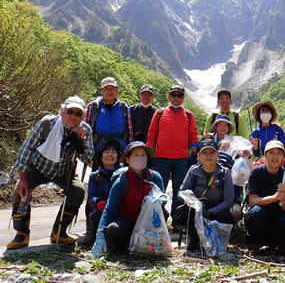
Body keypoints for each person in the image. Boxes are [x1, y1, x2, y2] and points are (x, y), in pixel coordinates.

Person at [7, 96, 94, 249]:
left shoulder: (85, 129)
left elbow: (88, 158)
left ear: (83, 116)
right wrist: (22, 178)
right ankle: (22, 234)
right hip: (37, 167)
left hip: (63, 171)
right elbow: (26, 149)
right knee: (21, 192)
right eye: (70, 111)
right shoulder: (46, 124)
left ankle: (59, 232)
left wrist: (81, 141)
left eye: (77, 114)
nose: (73, 116)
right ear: (62, 111)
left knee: (78, 191)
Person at [91, 141, 164, 257]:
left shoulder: (155, 177)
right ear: (128, 160)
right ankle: (123, 246)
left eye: (143, 155)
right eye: (136, 155)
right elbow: (110, 209)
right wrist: (100, 234)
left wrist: (158, 200)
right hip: (128, 221)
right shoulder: (122, 181)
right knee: (113, 230)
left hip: (149, 223)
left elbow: (163, 199)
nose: (140, 158)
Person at [147, 84, 198, 227]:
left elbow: (193, 134)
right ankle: (159, 219)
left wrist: (193, 149)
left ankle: (177, 221)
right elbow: (152, 134)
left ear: (183, 97)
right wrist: (149, 152)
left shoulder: (189, 115)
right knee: (159, 189)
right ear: (169, 96)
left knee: (179, 190)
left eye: (179, 95)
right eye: (174, 95)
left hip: (181, 159)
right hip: (160, 158)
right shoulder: (159, 113)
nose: (176, 98)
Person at [179, 139, 234, 256]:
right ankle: (194, 246)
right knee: (191, 213)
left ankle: (215, 244)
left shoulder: (225, 173)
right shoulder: (193, 171)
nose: (208, 156)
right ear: (198, 156)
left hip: (218, 209)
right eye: (204, 153)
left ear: (217, 155)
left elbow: (229, 200)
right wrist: (191, 200)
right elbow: (181, 192)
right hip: (198, 208)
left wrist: (210, 212)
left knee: (226, 216)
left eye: (212, 153)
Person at [245, 140, 285, 252]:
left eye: (279, 153)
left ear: (283, 156)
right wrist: (274, 198)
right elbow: (252, 201)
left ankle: (280, 243)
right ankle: (257, 242)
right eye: (271, 152)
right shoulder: (256, 173)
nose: (275, 157)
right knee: (256, 213)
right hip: (261, 213)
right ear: (265, 155)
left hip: (278, 214)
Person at [78, 140, 121, 248]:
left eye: (113, 152)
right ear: (101, 155)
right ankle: (91, 236)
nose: (110, 154)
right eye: (106, 151)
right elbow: (91, 196)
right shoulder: (94, 176)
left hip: (119, 209)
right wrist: (99, 202)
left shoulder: (123, 174)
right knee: (91, 207)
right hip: (100, 209)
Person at [86, 77, 133, 169]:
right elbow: (88, 130)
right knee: (98, 176)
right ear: (101, 90)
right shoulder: (94, 106)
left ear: (117, 90)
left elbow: (129, 130)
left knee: (117, 177)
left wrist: (129, 150)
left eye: (112, 88)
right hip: (99, 148)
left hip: (119, 149)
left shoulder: (123, 106)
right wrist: (87, 152)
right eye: (106, 88)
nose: (109, 91)